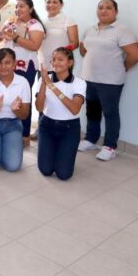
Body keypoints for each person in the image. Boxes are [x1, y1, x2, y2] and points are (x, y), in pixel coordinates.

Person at [79, 0, 138, 161]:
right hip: (89, 78)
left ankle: (110, 146)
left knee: (110, 113)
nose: (103, 11)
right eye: (100, 7)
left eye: (108, 8)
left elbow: (135, 55)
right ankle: (91, 139)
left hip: (110, 81)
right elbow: (83, 49)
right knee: (92, 111)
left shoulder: (122, 31)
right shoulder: (89, 30)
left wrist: (123, 67)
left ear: (116, 12)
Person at [0, 0, 45, 145]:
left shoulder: (34, 24)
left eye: (22, 6)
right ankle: (7, 129)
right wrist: (1, 33)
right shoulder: (10, 22)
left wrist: (15, 37)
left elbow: (34, 45)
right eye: (16, 6)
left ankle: (24, 134)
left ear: (30, 8)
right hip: (7, 65)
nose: (18, 9)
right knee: (7, 96)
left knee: (23, 99)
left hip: (26, 66)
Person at [35, 48, 86, 181]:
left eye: (61, 59)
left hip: (69, 128)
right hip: (47, 126)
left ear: (70, 63)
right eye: (53, 59)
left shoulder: (79, 83)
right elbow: (39, 107)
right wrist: (44, 84)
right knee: (46, 170)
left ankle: (62, 152)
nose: (56, 63)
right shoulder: (44, 79)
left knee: (64, 174)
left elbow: (75, 109)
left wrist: (52, 86)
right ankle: (55, 152)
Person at [38, 0, 79, 71]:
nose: (51, 5)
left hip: (61, 66)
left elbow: (75, 43)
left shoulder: (68, 20)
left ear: (61, 5)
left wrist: (61, 54)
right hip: (43, 65)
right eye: (48, 2)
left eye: (55, 2)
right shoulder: (40, 22)